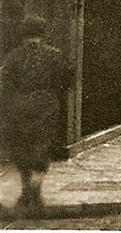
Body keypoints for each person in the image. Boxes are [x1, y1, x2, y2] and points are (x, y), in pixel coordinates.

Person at [0, 17, 72, 218]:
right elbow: (67, 79)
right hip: (46, 108)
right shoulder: (55, 56)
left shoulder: (13, 57)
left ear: (23, 35)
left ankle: (26, 190)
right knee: (41, 148)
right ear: (43, 34)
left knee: (22, 149)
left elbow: (5, 84)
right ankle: (35, 190)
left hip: (20, 108)